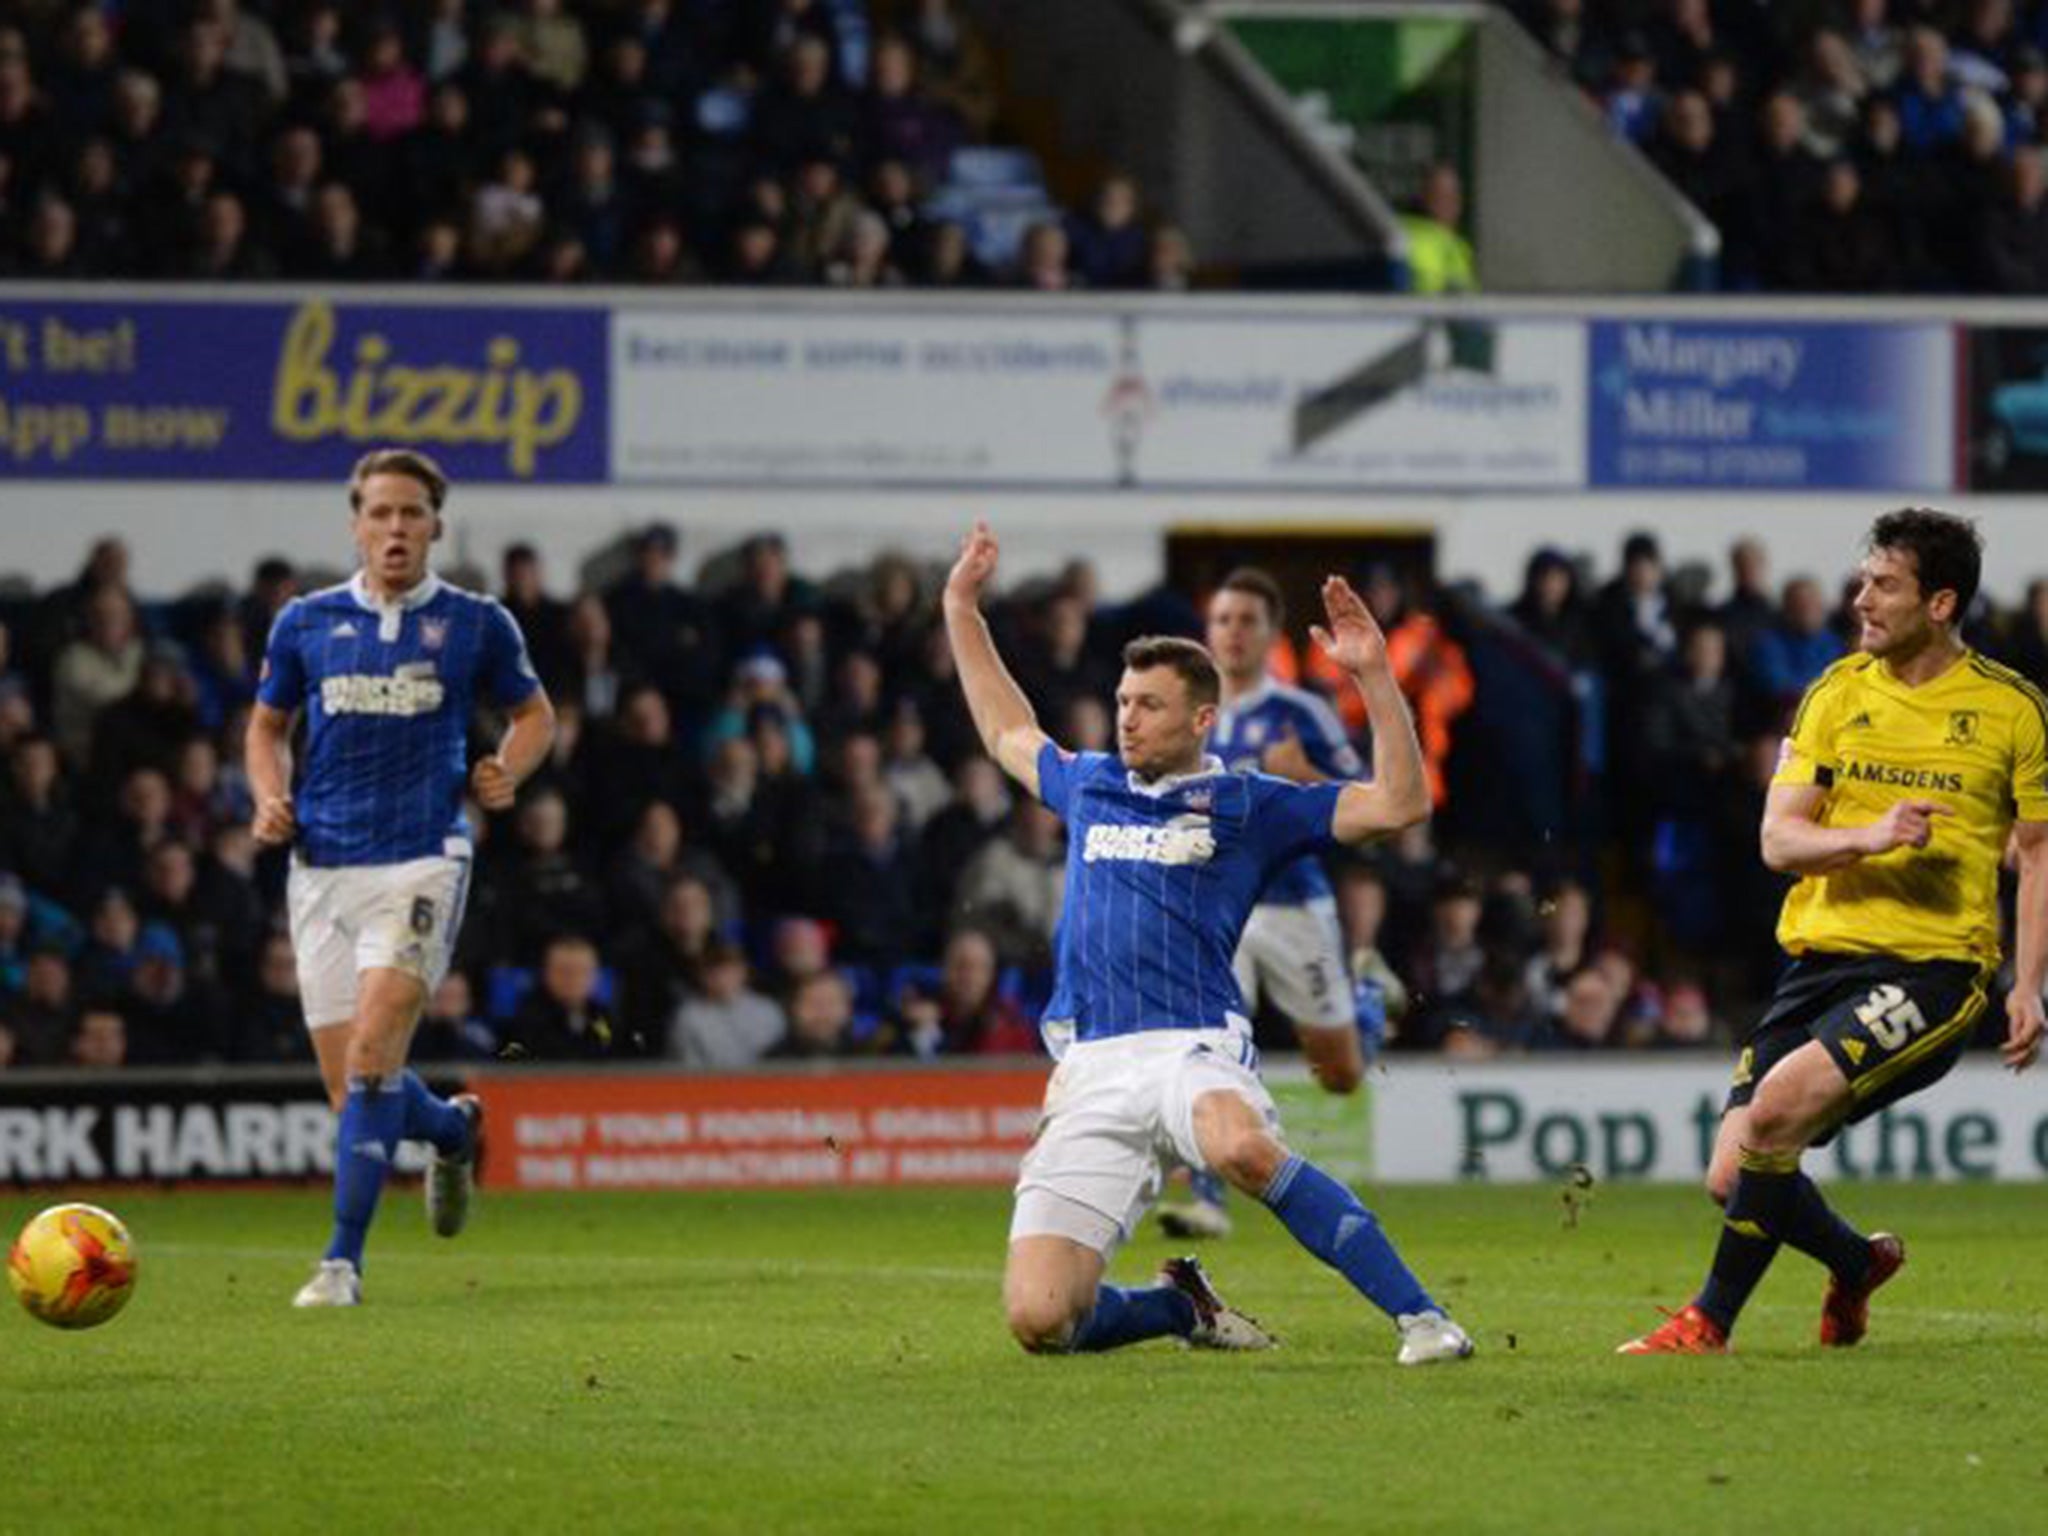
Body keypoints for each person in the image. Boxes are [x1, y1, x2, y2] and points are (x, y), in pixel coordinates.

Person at [944, 521, 1472, 1366]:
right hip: (1090, 1064)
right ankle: (1178, 1308)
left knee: (1240, 1147)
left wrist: (1373, 676)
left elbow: (1399, 805)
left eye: (1147, 706)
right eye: (1121, 702)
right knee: (1041, 1320)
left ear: (1199, 717)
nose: (1127, 720)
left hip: (1190, 1044)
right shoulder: (1089, 786)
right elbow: (1007, 729)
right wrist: (961, 608)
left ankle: (1424, 1319)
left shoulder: (1249, 805)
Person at [1620, 509, 2047, 1354]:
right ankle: (1855, 1263)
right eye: (1862, 581)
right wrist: (1868, 835)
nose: (1861, 600)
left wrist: (2028, 985)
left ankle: (1708, 1321)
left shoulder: (2013, 710)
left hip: (1935, 969)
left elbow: (2036, 857)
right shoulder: (1833, 694)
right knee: (1732, 1175)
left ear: (1940, 602)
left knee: (1775, 1112)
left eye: (1883, 585)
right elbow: (1778, 840)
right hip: (1818, 960)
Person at [246, 447, 556, 1308]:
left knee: (378, 1058)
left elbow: (535, 714)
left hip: (422, 860)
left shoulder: (474, 623)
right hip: (321, 870)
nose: (394, 529)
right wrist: (270, 798)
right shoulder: (304, 623)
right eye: (379, 513)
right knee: (355, 1092)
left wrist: (509, 769)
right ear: (355, 524)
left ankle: (340, 1263)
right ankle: (453, 1131)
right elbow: (265, 727)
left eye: (410, 514)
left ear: (435, 526)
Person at [1155, 567, 1370, 1240]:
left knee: (1339, 1076)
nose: (1234, 632)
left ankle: (1367, 997)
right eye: (1222, 620)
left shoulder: (1299, 712)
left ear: (1272, 634)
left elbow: (1369, 795)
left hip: (1292, 905)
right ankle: (1208, 1201)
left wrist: (1305, 777)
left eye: (1247, 620)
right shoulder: (1190, 716)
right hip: (1214, 909)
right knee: (1208, 1050)